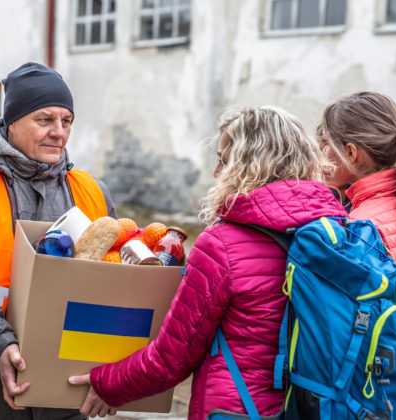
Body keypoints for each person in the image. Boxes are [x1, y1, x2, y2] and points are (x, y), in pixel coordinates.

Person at [69, 106, 348, 419]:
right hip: (314, 407)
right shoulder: (337, 232)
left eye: (223, 160)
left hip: (238, 410)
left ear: (248, 164)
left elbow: (171, 359)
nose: (217, 172)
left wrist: (106, 384)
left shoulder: (222, 246)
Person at [0, 62, 117, 420]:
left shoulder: (92, 193)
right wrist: (0, 343)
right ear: (10, 122)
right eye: (44, 120)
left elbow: (115, 285)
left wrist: (117, 375)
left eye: (67, 121)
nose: (59, 132)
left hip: (67, 398)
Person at [317, 91, 396, 419]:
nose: (318, 154)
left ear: (350, 153)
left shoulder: (360, 227)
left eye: (324, 145)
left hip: (377, 402)